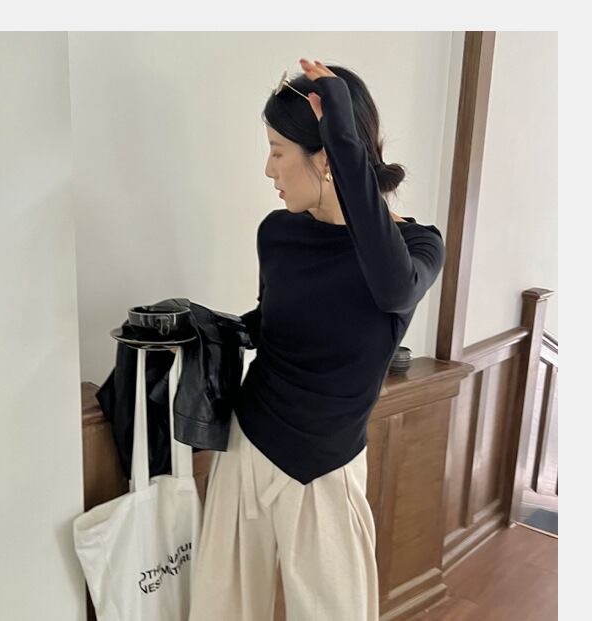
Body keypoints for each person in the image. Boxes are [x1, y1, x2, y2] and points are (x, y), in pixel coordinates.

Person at [188, 58, 446, 621]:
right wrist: (201, 327)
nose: (268, 169)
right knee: (221, 610)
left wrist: (344, 140)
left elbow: (393, 289)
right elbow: (274, 322)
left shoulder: (418, 247)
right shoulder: (277, 232)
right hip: (247, 446)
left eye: (278, 151)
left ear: (326, 157)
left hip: (326, 469)